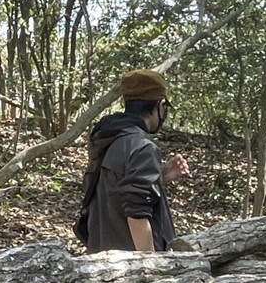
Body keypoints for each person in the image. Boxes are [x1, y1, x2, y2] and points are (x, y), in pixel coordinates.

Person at [79, 69, 189, 254]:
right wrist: (151, 269)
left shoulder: (107, 140)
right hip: (129, 273)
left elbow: (115, 191)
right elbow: (137, 215)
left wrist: (158, 176)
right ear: (161, 106)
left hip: (100, 263)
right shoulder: (143, 147)